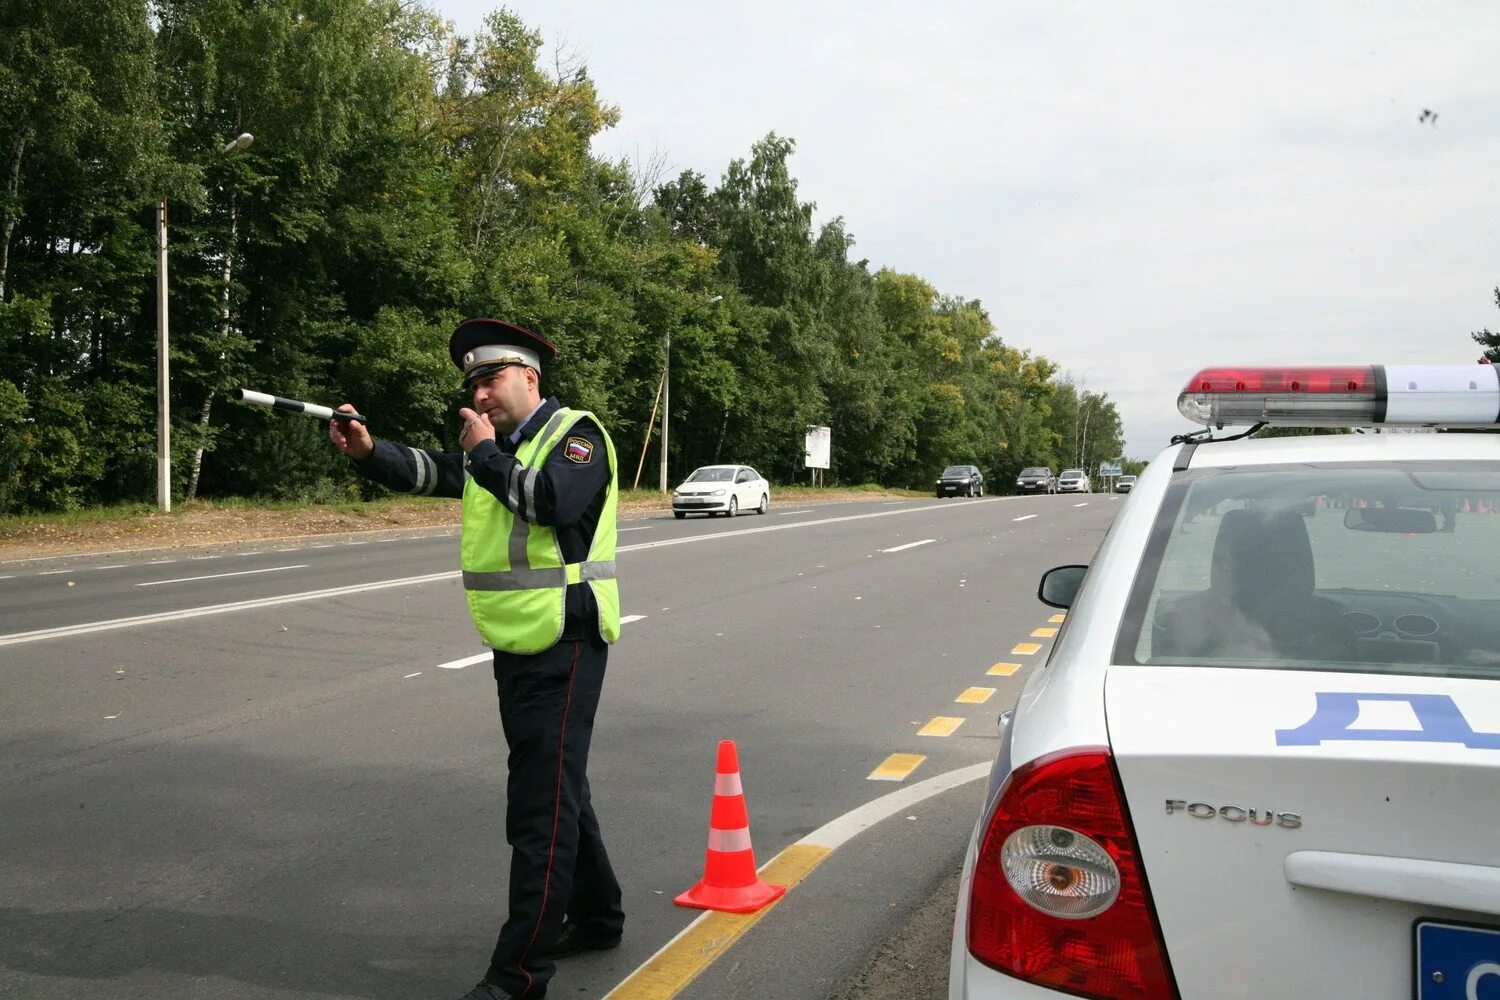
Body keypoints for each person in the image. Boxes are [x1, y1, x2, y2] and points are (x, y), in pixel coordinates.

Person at [328, 318, 626, 1000]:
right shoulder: (498, 449)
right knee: (560, 789)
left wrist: (487, 454)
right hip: (518, 644)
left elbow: (551, 502)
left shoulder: (578, 436)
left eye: (490, 380)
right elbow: (437, 470)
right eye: (474, 386)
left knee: (538, 810)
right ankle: (601, 916)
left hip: (565, 642)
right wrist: (369, 451)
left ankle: (517, 977)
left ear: (530, 377)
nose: (481, 396)